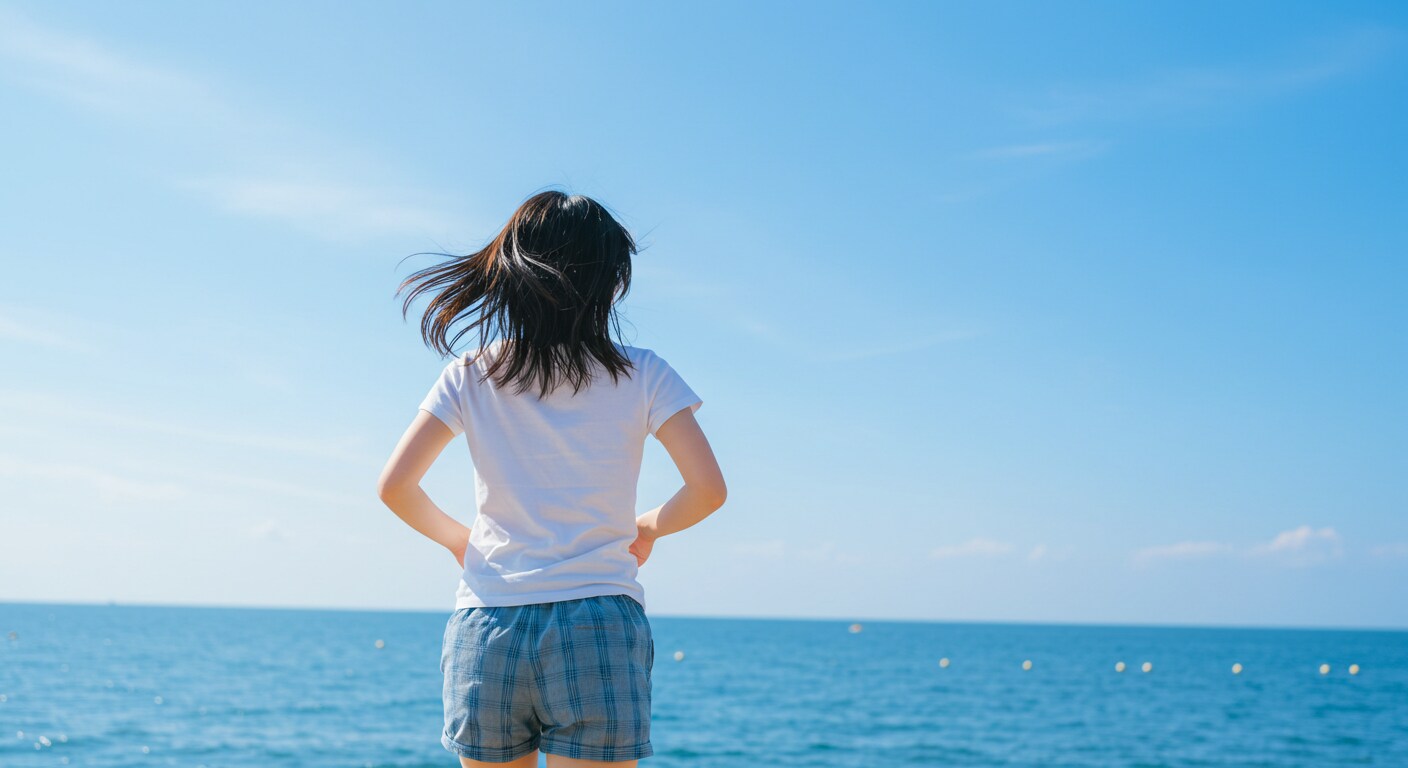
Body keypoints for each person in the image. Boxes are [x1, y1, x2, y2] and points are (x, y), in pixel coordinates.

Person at [377, 189, 728, 768]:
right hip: (599, 620)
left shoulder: (468, 373)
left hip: (488, 622)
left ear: (510, 271)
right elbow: (708, 490)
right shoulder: (644, 373)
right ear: (610, 281)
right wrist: (648, 527)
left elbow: (395, 488)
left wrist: (460, 541)